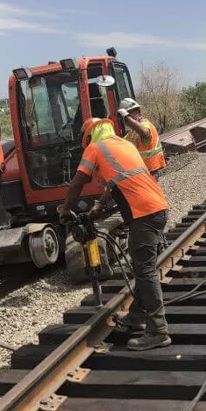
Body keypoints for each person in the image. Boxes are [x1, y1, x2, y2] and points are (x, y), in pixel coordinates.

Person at [59, 118, 172, 351]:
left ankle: (158, 330)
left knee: (145, 270)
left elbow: (77, 183)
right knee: (143, 267)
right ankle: (137, 315)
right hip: (158, 208)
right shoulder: (124, 145)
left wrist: (65, 209)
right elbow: (120, 182)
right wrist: (100, 205)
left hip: (144, 215)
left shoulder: (95, 148)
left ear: (89, 136)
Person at [118, 98, 166, 179]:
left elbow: (145, 133)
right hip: (143, 171)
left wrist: (126, 117)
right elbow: (120, 143)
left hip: (151, 170)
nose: (125, 121)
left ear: (136, 112)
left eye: (126, 117)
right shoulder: (132, 132)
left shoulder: (146, 124)